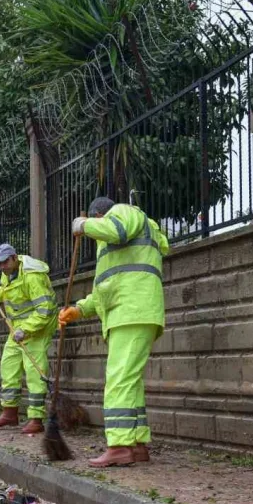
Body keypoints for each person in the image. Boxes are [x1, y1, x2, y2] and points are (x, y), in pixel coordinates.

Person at [59, 197, 169, 467]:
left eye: (97, 222)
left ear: (100, 215)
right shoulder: (121, 247)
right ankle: (137, 443)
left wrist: (84, 224)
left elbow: (115, 230)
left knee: (118, 380)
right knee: (131, 382)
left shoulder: (124, 213)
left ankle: (119, 445)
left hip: (131, 310)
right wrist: (80, 309)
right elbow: (107, 288)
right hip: (133, 310)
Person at [0, 244, 56, 434]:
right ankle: (9, 413)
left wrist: (26, 329)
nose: (2, 267)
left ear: (15, 257)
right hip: (15, 329)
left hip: (36, 329)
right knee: (8, 367)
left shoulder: (33, 276)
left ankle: (36, 418)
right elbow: (12, 293)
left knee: (34, 372)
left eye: (5, 262)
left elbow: (45, 310)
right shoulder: (7, 274)